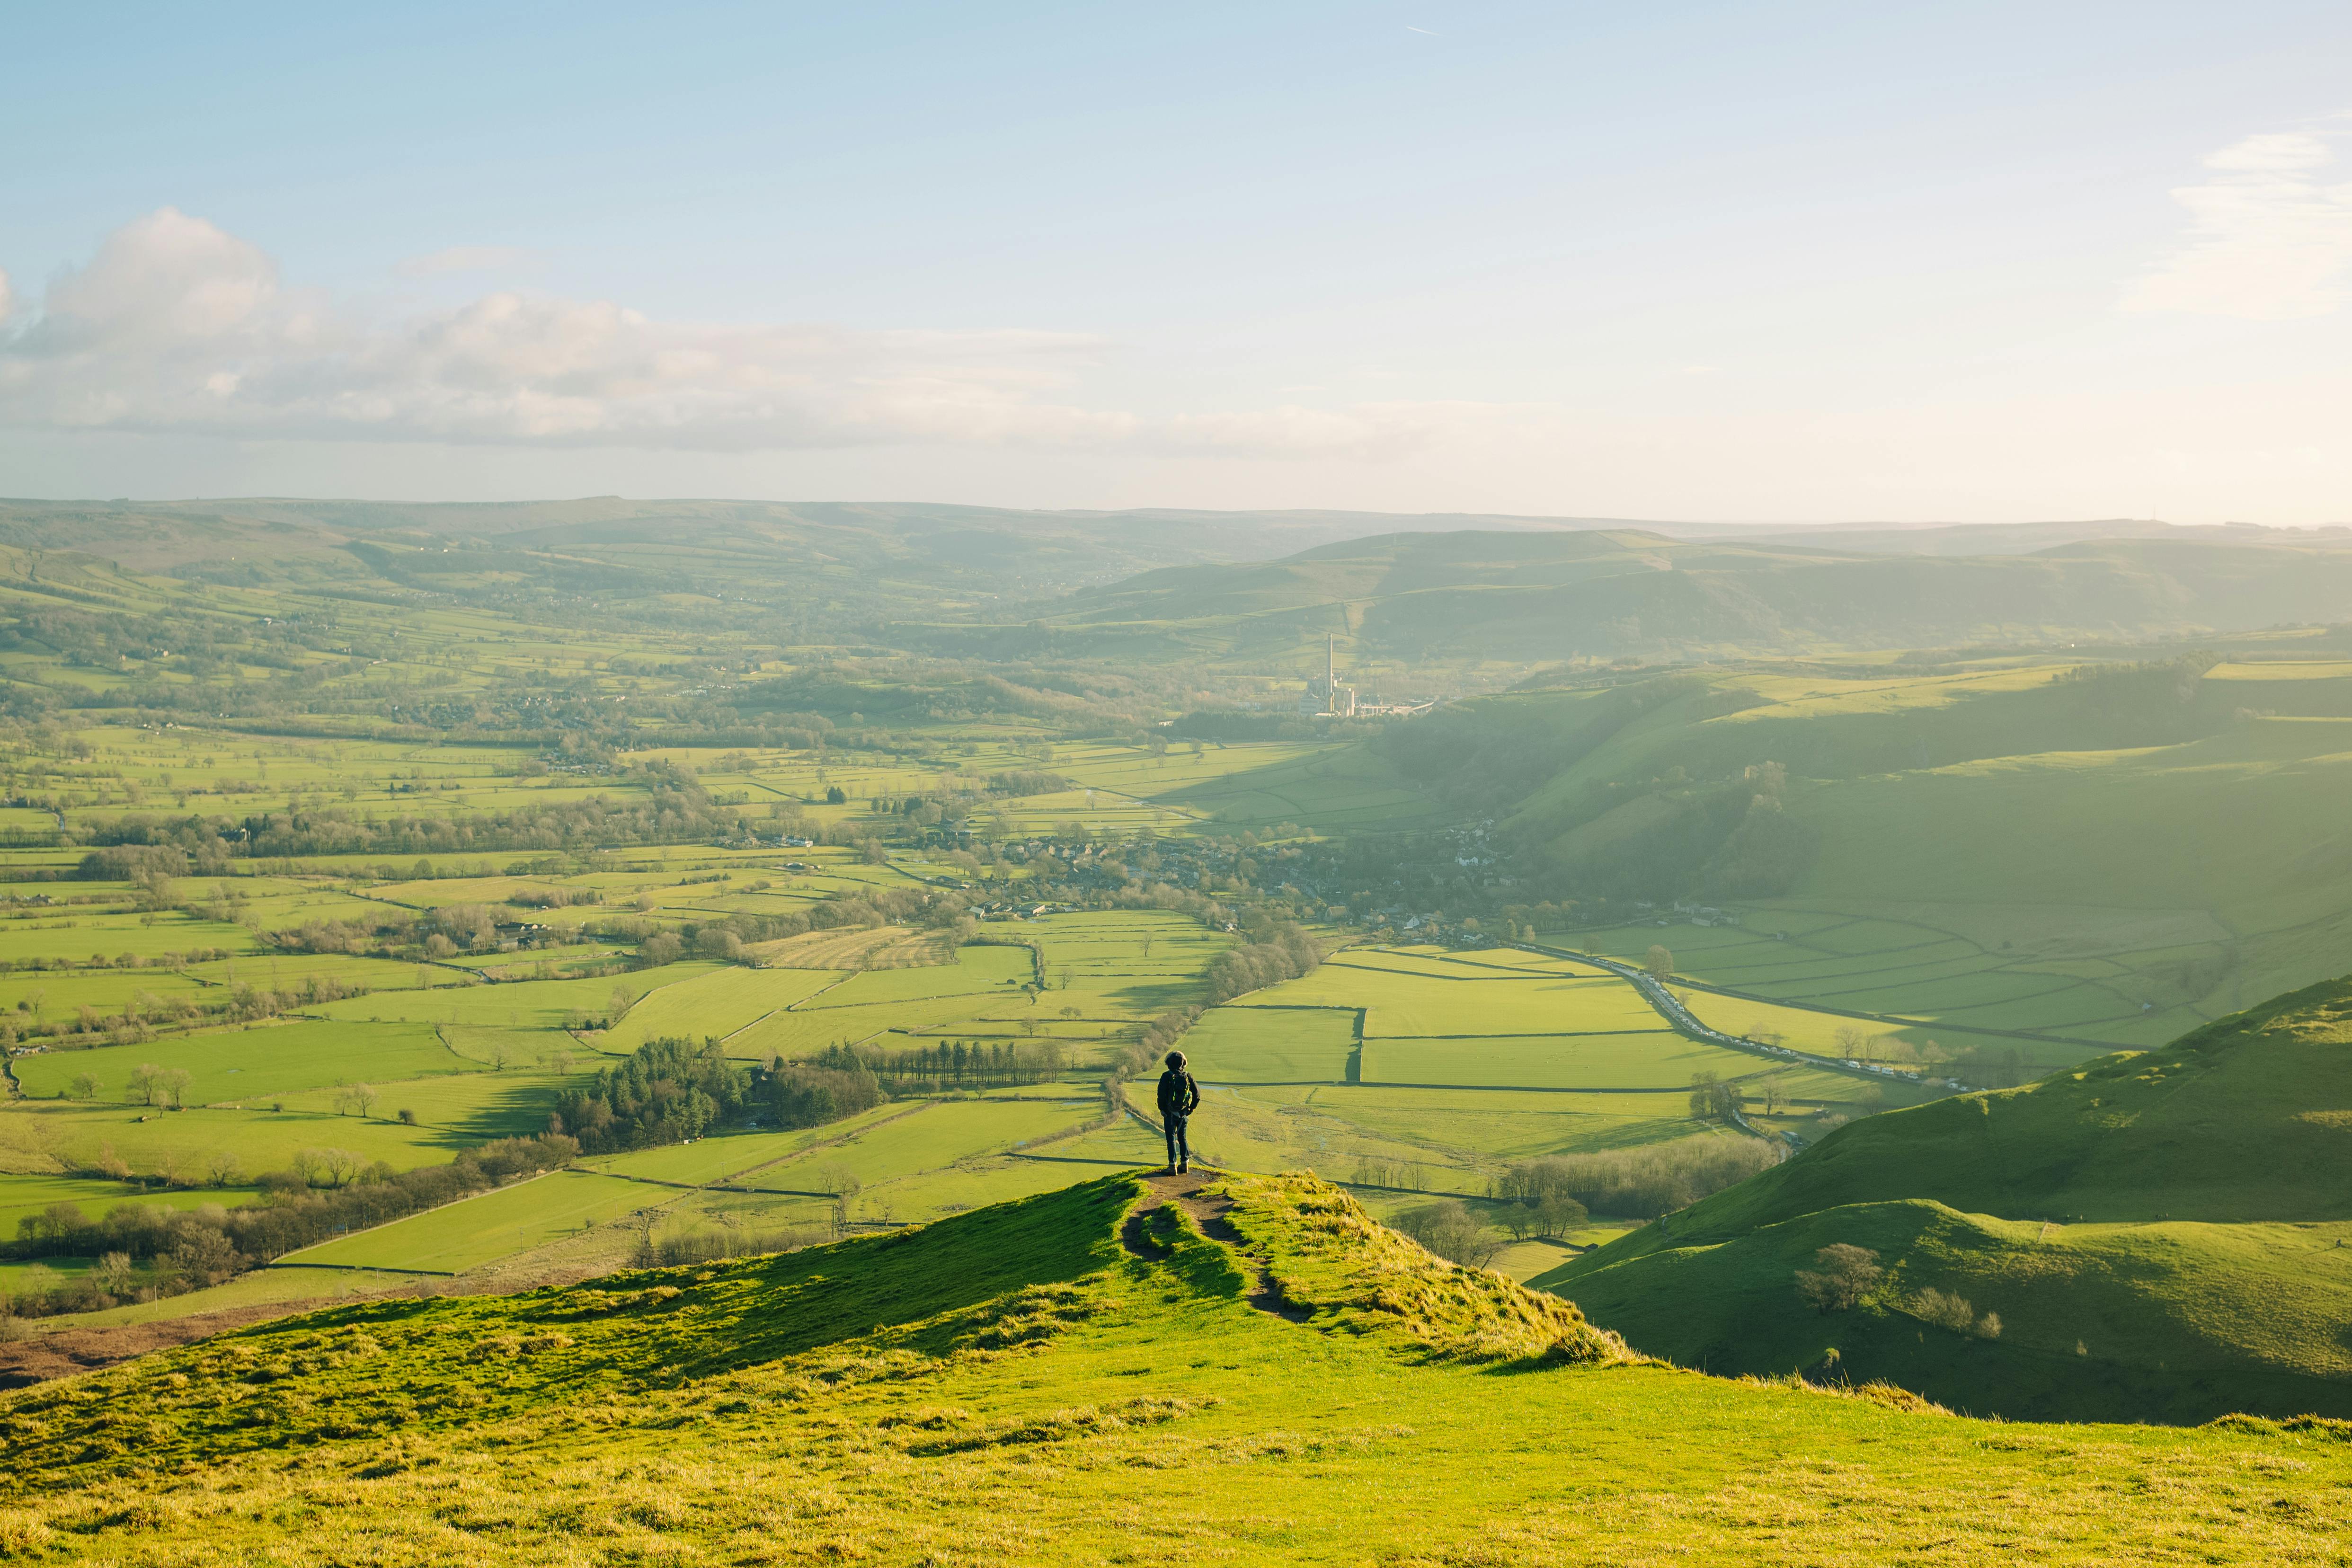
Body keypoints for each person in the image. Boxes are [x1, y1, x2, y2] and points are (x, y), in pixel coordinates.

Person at [1156, 1049, 1200, 1174]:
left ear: (1169, 1063)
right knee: (1183, 1138)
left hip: (1169, 1114)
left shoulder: (1166, 1076)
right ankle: (1185, 1165)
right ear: (1183, 1063)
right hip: (1184, 1114)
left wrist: (1162, 1109)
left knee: (1171, 1139)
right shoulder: (1188, 1076)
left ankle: (1172, 1166)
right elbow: (1197, 1094)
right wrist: (1192, 1108)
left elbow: (1161, 1095)